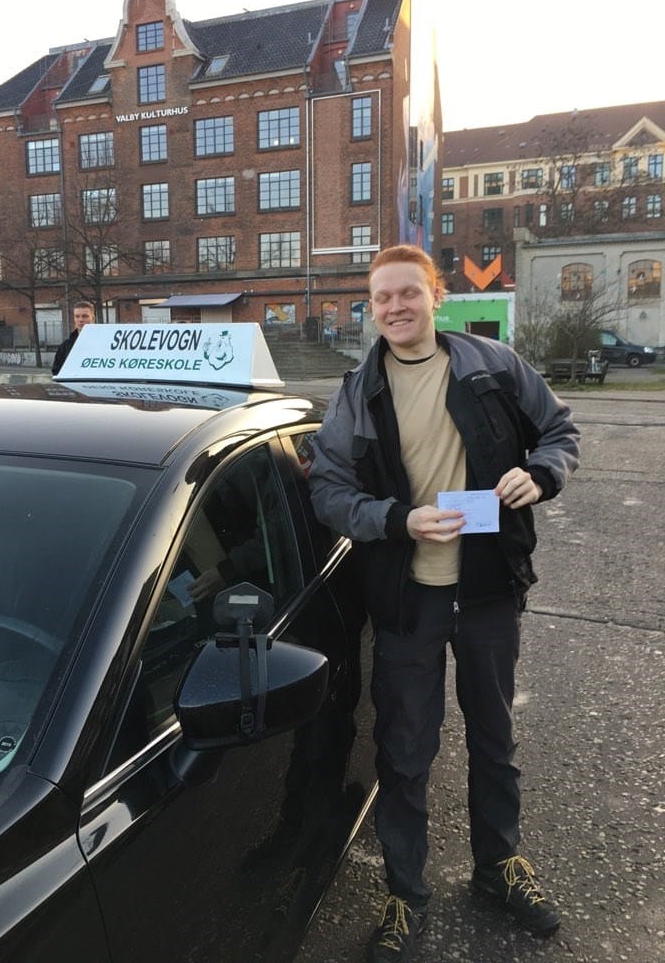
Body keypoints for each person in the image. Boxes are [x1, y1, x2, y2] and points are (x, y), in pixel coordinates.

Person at [307, 244, 580, 961]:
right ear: (371, 309)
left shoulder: (494, 366)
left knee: (494, 738)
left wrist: (541, 474)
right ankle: (406, 893)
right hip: (408, 599)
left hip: (488, 590)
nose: (395, 307)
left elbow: (560, 431)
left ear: (436, 295)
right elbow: (329, 492)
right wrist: (399, 520)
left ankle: (498, 866)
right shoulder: (356, 393)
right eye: (382, 298)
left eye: (409, 292)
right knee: (404, 752)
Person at [51, 301, 95, 375]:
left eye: (85, 316)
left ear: (93, 318)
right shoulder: (65, 347)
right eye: (77, 316)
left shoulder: (105, 344)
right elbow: (56, 371)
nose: (80, 320)